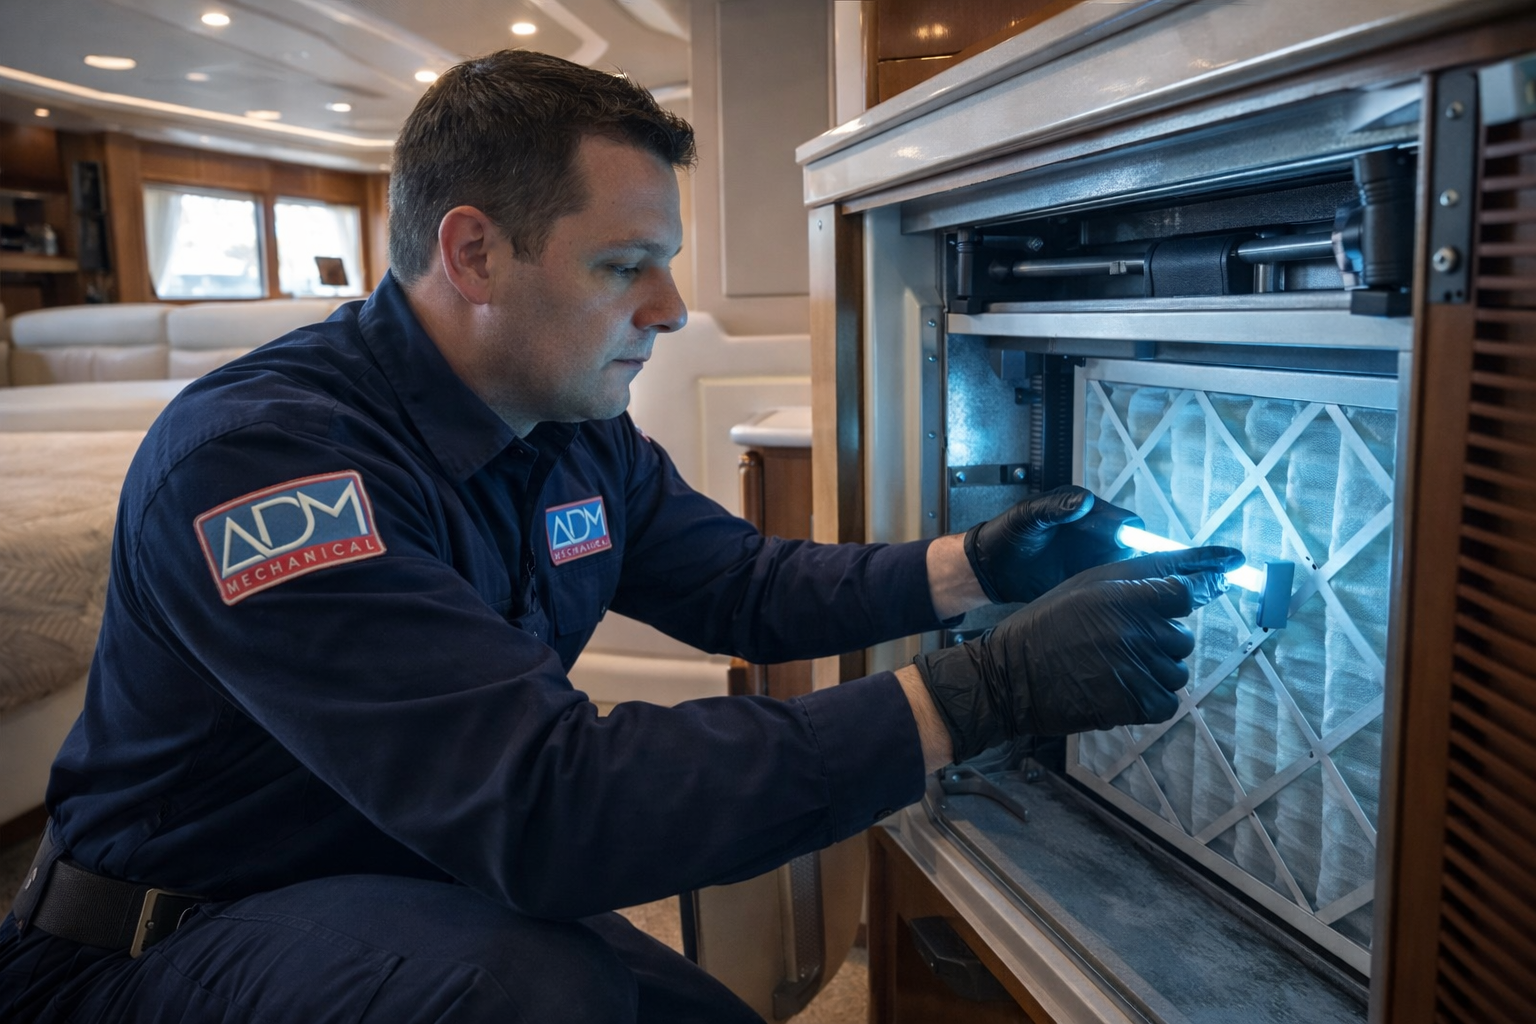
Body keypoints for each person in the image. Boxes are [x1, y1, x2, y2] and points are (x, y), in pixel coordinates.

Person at [0, 50, 1240, 1023]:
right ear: (475, 251)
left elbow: (747, 583)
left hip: (409, 886)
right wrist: (986, 691)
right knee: (537, 995)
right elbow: (550, 810)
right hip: (166, 943)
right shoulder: (267, 466)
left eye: (669, 262)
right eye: (624, 264)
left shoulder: (567, 425)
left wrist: (976, 569)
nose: (671, 307)